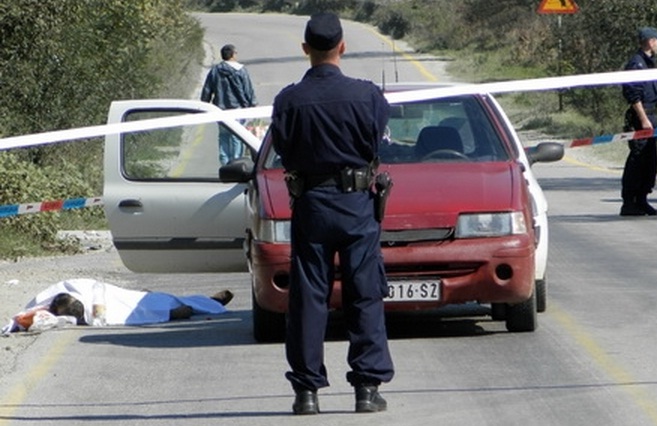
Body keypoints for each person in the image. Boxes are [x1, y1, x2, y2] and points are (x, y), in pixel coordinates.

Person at [270, 12, 394, 415]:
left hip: (312, 204)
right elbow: (377, 142)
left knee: (309, 299)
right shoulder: (367, 95)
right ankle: (366, 388)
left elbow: (284, 151)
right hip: (357, 204)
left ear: (305, 49)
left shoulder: (288, 100)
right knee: (365, 294)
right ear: (343, 46)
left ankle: (306, 393)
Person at [2, 278, 234, 333]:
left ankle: (208, 302)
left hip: (109, 295)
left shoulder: (71, 290)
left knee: (151, 300)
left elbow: (90, 287)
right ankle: (203, 304)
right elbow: (25, 317)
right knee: (149, 306)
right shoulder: (52, 311)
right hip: (112, 306)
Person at [620, 27, 657, 216]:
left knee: (650, 160)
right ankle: (629, 202)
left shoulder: (649, 64)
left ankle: (642, 199)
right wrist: (643, 119)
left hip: (652, 114)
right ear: (650, 41)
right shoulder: (636, 64)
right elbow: (633, 95)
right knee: (638, 159)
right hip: (642, 117)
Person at [201, 43, 258, 164]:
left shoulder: (215, 71)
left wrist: (204, 105)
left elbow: (207, 90)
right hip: (237, 110)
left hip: (220, 110)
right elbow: (248, 89)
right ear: (232, 55)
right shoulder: (241, 70)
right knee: (237, 137)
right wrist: (252, 105)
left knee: (223, 136)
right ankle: (236, 162)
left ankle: (224, 162)